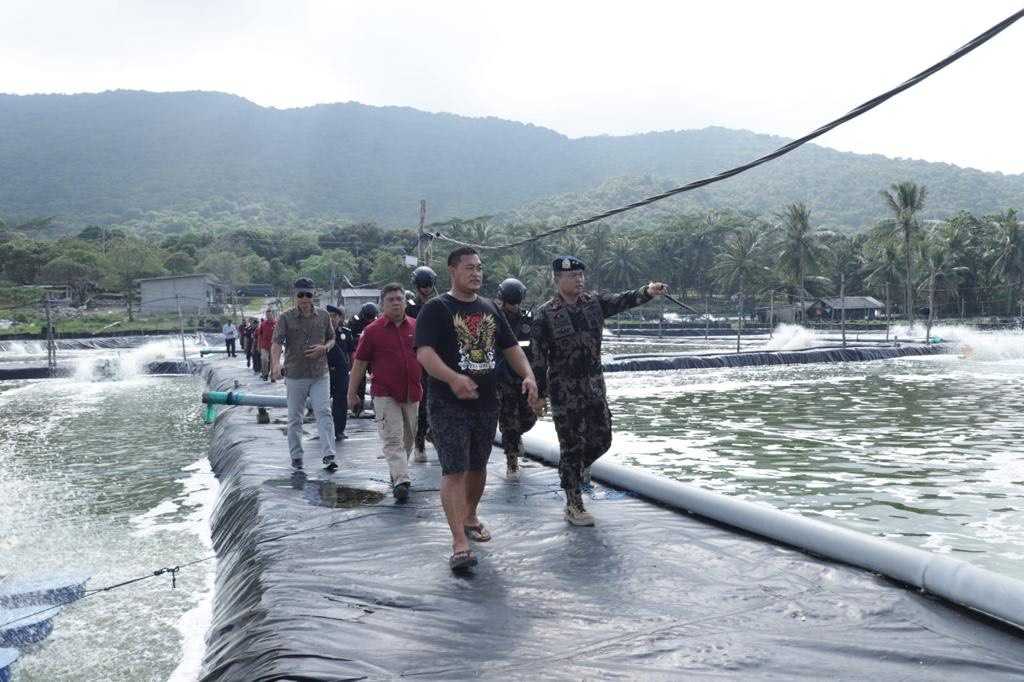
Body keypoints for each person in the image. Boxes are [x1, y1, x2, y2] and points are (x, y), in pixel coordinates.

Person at [415, 247, 538, 572]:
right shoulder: (436, 309)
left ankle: (469, 515)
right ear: (453, 271)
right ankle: (459, 542)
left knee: (478, 467)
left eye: (480, 268)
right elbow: (425, 355)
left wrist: (529, 376)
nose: (477, 273)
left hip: (486, 403)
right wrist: (453, 378)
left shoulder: (489, 309)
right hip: (447, 404)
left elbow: (512, 349)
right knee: (454, 470)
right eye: (469, 267)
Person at [532, 255, 667, 526]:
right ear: (557, 279)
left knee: (603, 439)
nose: (579, 280)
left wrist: (647, 292)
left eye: (581, 275)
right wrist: (539, 395)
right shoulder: (545, 313)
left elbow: (623, 300)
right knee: (570, 446)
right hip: (564, 391)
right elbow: (538, 358)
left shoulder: (594, 303)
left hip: (594, 387)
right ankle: (573, 503)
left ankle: (578, 470)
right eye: (573, 276)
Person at [348, 284, 422, 502]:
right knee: (393, 439)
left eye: (399, 298)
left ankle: (398, 472)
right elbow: (359, 364)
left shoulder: (416, 327)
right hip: (384, 394)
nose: (396, 302)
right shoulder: (372, 331)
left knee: (408, 439)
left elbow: (428, 357)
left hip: (413, 393)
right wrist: (352, 393)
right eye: (391, 299)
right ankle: (401, 480)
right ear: (383, 303)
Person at [270, 278, 337, 472]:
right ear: (295, 296)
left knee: (324, 412)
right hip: (295, 374)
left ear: (313, 295)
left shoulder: (324, 316)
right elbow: (276, 343)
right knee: (295, 418)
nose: (305, 299)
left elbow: (332, 338)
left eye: (308, 294)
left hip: (319, 374)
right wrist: (275, 365)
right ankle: (296, 456)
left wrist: (324, 348)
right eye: (301, 295)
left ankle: (329, 455)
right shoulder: (285, 317)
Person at [494, 278, 538, 480]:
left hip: (525, 378)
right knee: (508, 422)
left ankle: (516, 437)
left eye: (517, 302)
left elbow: (536, 349)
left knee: (529, 418)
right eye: (510, 303)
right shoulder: (495, 320)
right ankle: (512, 461)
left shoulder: (528, 320)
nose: (514, 307)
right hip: (503, 380)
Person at [405, 265, 437, 463]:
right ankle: (419, 443)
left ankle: (433, 434)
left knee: (439, 401)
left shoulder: (440, 303)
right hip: (415, 359)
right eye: (422, 285)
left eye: (428, 285)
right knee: (421, 404)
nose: (425, 289)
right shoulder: (408, 306)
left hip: (437, 358)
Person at [326, 304, 355, 441]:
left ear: (339, 318)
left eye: (334, 316)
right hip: (324, 371)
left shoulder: (346, 333)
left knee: (341, 401)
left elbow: (351, 354)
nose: (332, 319)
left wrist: (352, 370)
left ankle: (339, 430)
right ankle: (325, 430)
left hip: (341, 372)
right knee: (323, 403)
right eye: (329, 316)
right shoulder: (320, 333)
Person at [347, 302, 379, 416]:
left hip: (373, 355)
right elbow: (349, 340)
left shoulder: (378, 321)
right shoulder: (354, 322)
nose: (370, 321)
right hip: (359, 355)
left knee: (378, 379)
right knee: (358, 382)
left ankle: (377, 407)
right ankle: (358, 409)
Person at [256, 309, 276, 381]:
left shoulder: (276, 323)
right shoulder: (263, 324)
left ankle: (273, 376)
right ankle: (265, 373)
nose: (268, 316)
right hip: (264, 346)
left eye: (269, 315)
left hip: (273, 346)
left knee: (273, 361)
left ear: (272, 315)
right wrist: (258, 345)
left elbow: (280, 335)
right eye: (267, 315)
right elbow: (259, 335)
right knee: (264, 359)